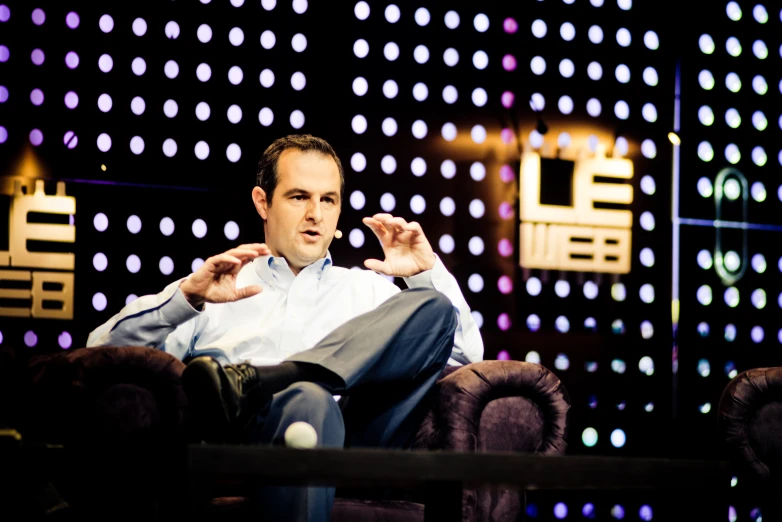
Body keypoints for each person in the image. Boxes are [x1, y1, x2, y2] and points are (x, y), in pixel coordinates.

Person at [87, 134, 483, 521]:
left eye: (328, 200)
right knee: (309, 399)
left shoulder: (367, 288)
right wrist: (184, 300)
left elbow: (467, 356)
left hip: (353, 444)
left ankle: (261, 379)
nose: (316, 214)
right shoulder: (218, 285)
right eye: (299, 197)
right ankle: (275, 385)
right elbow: (102, 350)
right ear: (263, 202)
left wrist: (426, 272)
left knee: (434, 307)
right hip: (241, 443)